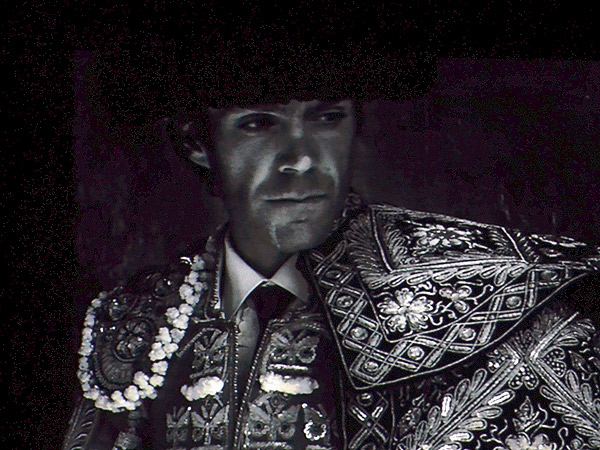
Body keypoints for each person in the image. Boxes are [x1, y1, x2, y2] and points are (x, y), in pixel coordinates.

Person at [63, 45, 600, 450]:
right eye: (259, 123)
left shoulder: (493, 300)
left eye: (327, 118)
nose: (301, 158)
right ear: (197, 143)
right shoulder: (138, 317)